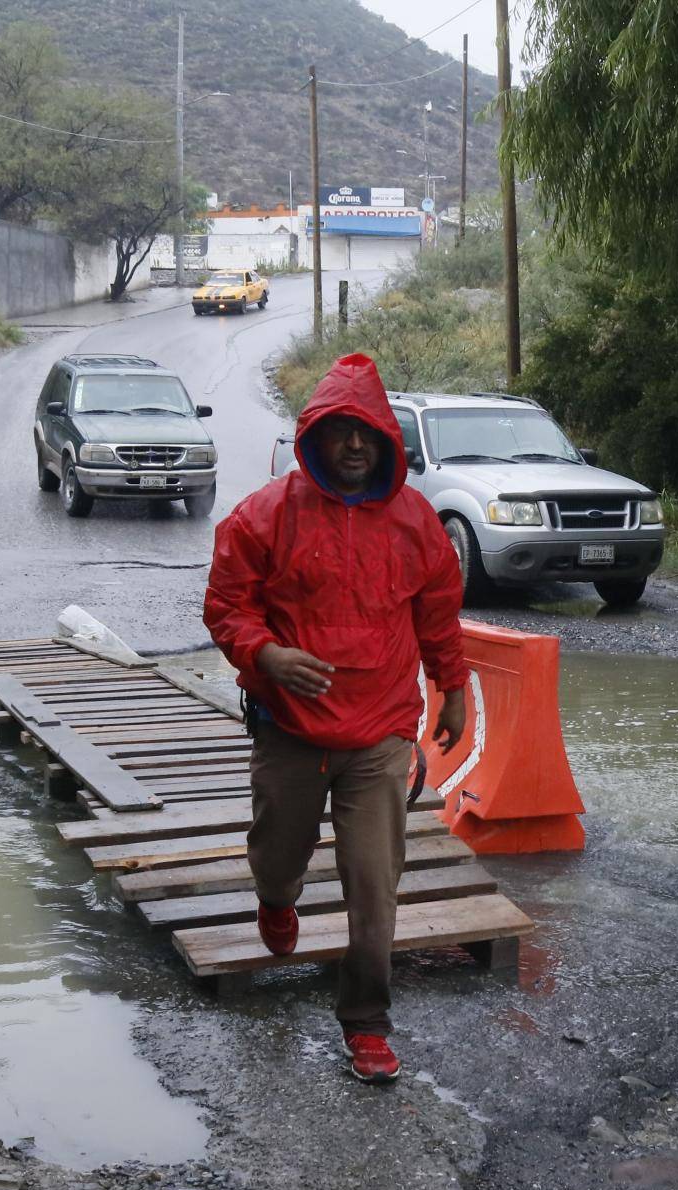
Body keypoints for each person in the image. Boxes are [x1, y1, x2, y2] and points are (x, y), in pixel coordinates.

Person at [203, 352, 467, 1084]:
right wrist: (267, 655)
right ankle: (275, 899)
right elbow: (227, 605)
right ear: (315, 436)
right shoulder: (265, 515)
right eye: (340, 430)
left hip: (380, 731)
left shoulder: (416, 523)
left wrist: (455, 686)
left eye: (367, 432)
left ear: (387, 440)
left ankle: (368, 1023)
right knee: (279, 851)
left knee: (374, 879)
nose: (354, 444)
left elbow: (440, 613)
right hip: (289, 725)